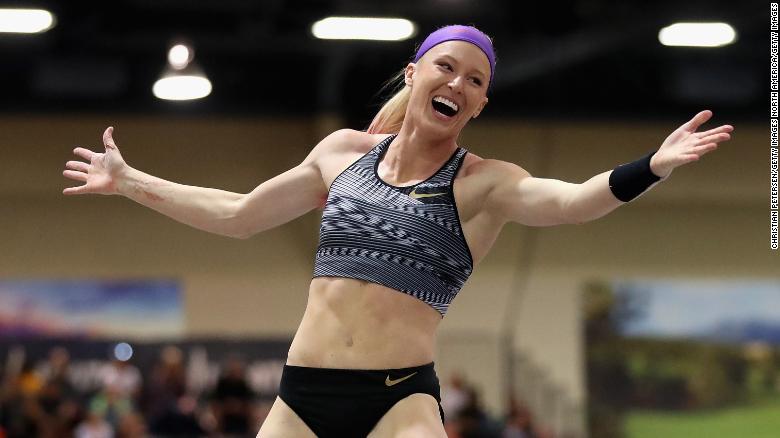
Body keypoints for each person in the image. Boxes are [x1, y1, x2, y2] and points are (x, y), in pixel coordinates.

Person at [62, 24, 734, 438]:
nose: (459, 83)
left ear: (479, 104)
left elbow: (573, 202)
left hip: (397, 402)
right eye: (447, 67)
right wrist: (130, 182)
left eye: (475, 81)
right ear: (416, 75)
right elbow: (239, 216)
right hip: (302, 397)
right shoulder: (341, 154)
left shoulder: (483, 184)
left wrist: (651, 166)